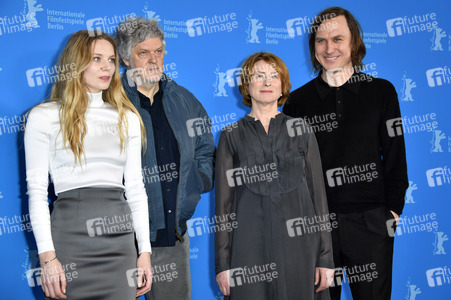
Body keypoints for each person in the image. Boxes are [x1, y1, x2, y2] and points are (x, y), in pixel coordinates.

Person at [283, 7, 408, 300]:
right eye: (321, 41)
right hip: (317, 226)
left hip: (371, 223)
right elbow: (291, 168)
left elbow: (395, 155)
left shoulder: (381, 92)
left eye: (338, 39)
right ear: (313, 47)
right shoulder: (298, 102)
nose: (329, 48)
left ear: (354, 43)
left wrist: (392, 210)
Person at [24, 30, 152, 299]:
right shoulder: (43, 117)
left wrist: (144, 252)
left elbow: (137, 190)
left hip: (120, 244)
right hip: (70, 240)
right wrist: (48, 258)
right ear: (76, 62)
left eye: (111, 59)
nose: (107, 67)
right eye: (96, 58)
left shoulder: (127, 118)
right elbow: (36, 192)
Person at [215, 52, 334, 300]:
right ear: (247, 85)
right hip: (249, 251)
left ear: (283, 85)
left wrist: (325, 258)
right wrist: (223, 265)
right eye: (259, 76)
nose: (267, 82)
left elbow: (319, 198)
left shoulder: (301, 130)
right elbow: (223, 208)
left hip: (301, 250)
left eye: (273, 76)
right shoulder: (231, 135)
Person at [114, 17, 215, 300]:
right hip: (122, 241)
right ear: (124, 57)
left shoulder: (184, 100)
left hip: (172, 238)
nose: (153, 60)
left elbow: (206, 149)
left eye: (158, 51)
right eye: (143, 53)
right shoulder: (110, 102)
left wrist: (199, 182)